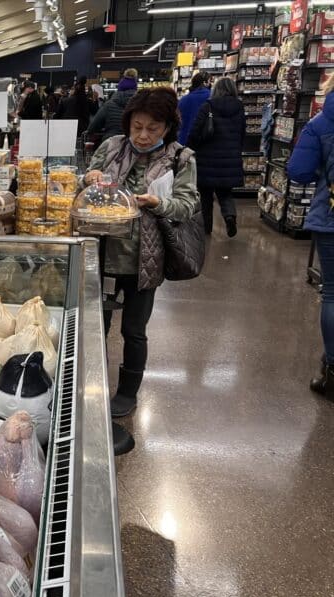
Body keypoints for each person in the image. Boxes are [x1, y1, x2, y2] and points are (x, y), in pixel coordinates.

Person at [83, 87, 199, 455]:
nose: (143, 136)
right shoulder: (113, 146)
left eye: (152, 128)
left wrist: (158, 202)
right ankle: (90, 388)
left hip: (143, 260)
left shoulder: (181, 158)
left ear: (167, 127)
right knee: (92, 327)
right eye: (137, 127)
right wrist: (90, 179)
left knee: (134, 329)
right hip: (101, 252)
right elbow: (88, 177)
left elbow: (186, 205)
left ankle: (127, 393)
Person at [287, 76, 334, 400]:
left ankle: (332, 370)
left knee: (332, 293)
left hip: (330, 216)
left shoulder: (321, 123)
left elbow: (299, 171)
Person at [186, 77, 245, 237]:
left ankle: (207, 228)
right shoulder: (239, 107)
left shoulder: (208, 106)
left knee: (205, 195)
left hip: (207, 157)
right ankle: (229, 216)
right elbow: (242, 133)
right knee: (225, 192)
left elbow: (195, 131)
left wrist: (191, 147)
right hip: (230, 156)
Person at [86, 68, 138, 143]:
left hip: (111, 144)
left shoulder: (108, 105)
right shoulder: (142, 106)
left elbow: (92, 128)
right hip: (134, 145)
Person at [177, 72, 211, 146]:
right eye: (209, 81)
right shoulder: (212, 97)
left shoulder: (183, 100)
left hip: (184, 140)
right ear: (205, 83)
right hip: (205, 142)